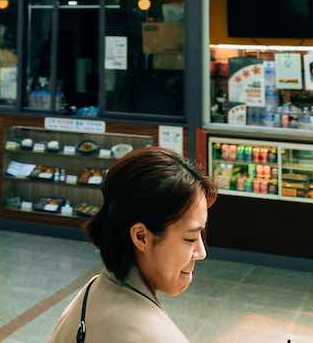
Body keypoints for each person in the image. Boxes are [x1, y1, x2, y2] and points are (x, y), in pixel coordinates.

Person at [46, 147, 213, 343]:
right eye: (191, 238)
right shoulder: (157, 337)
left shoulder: (89, 293)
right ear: (141, 237)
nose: (201, 252)